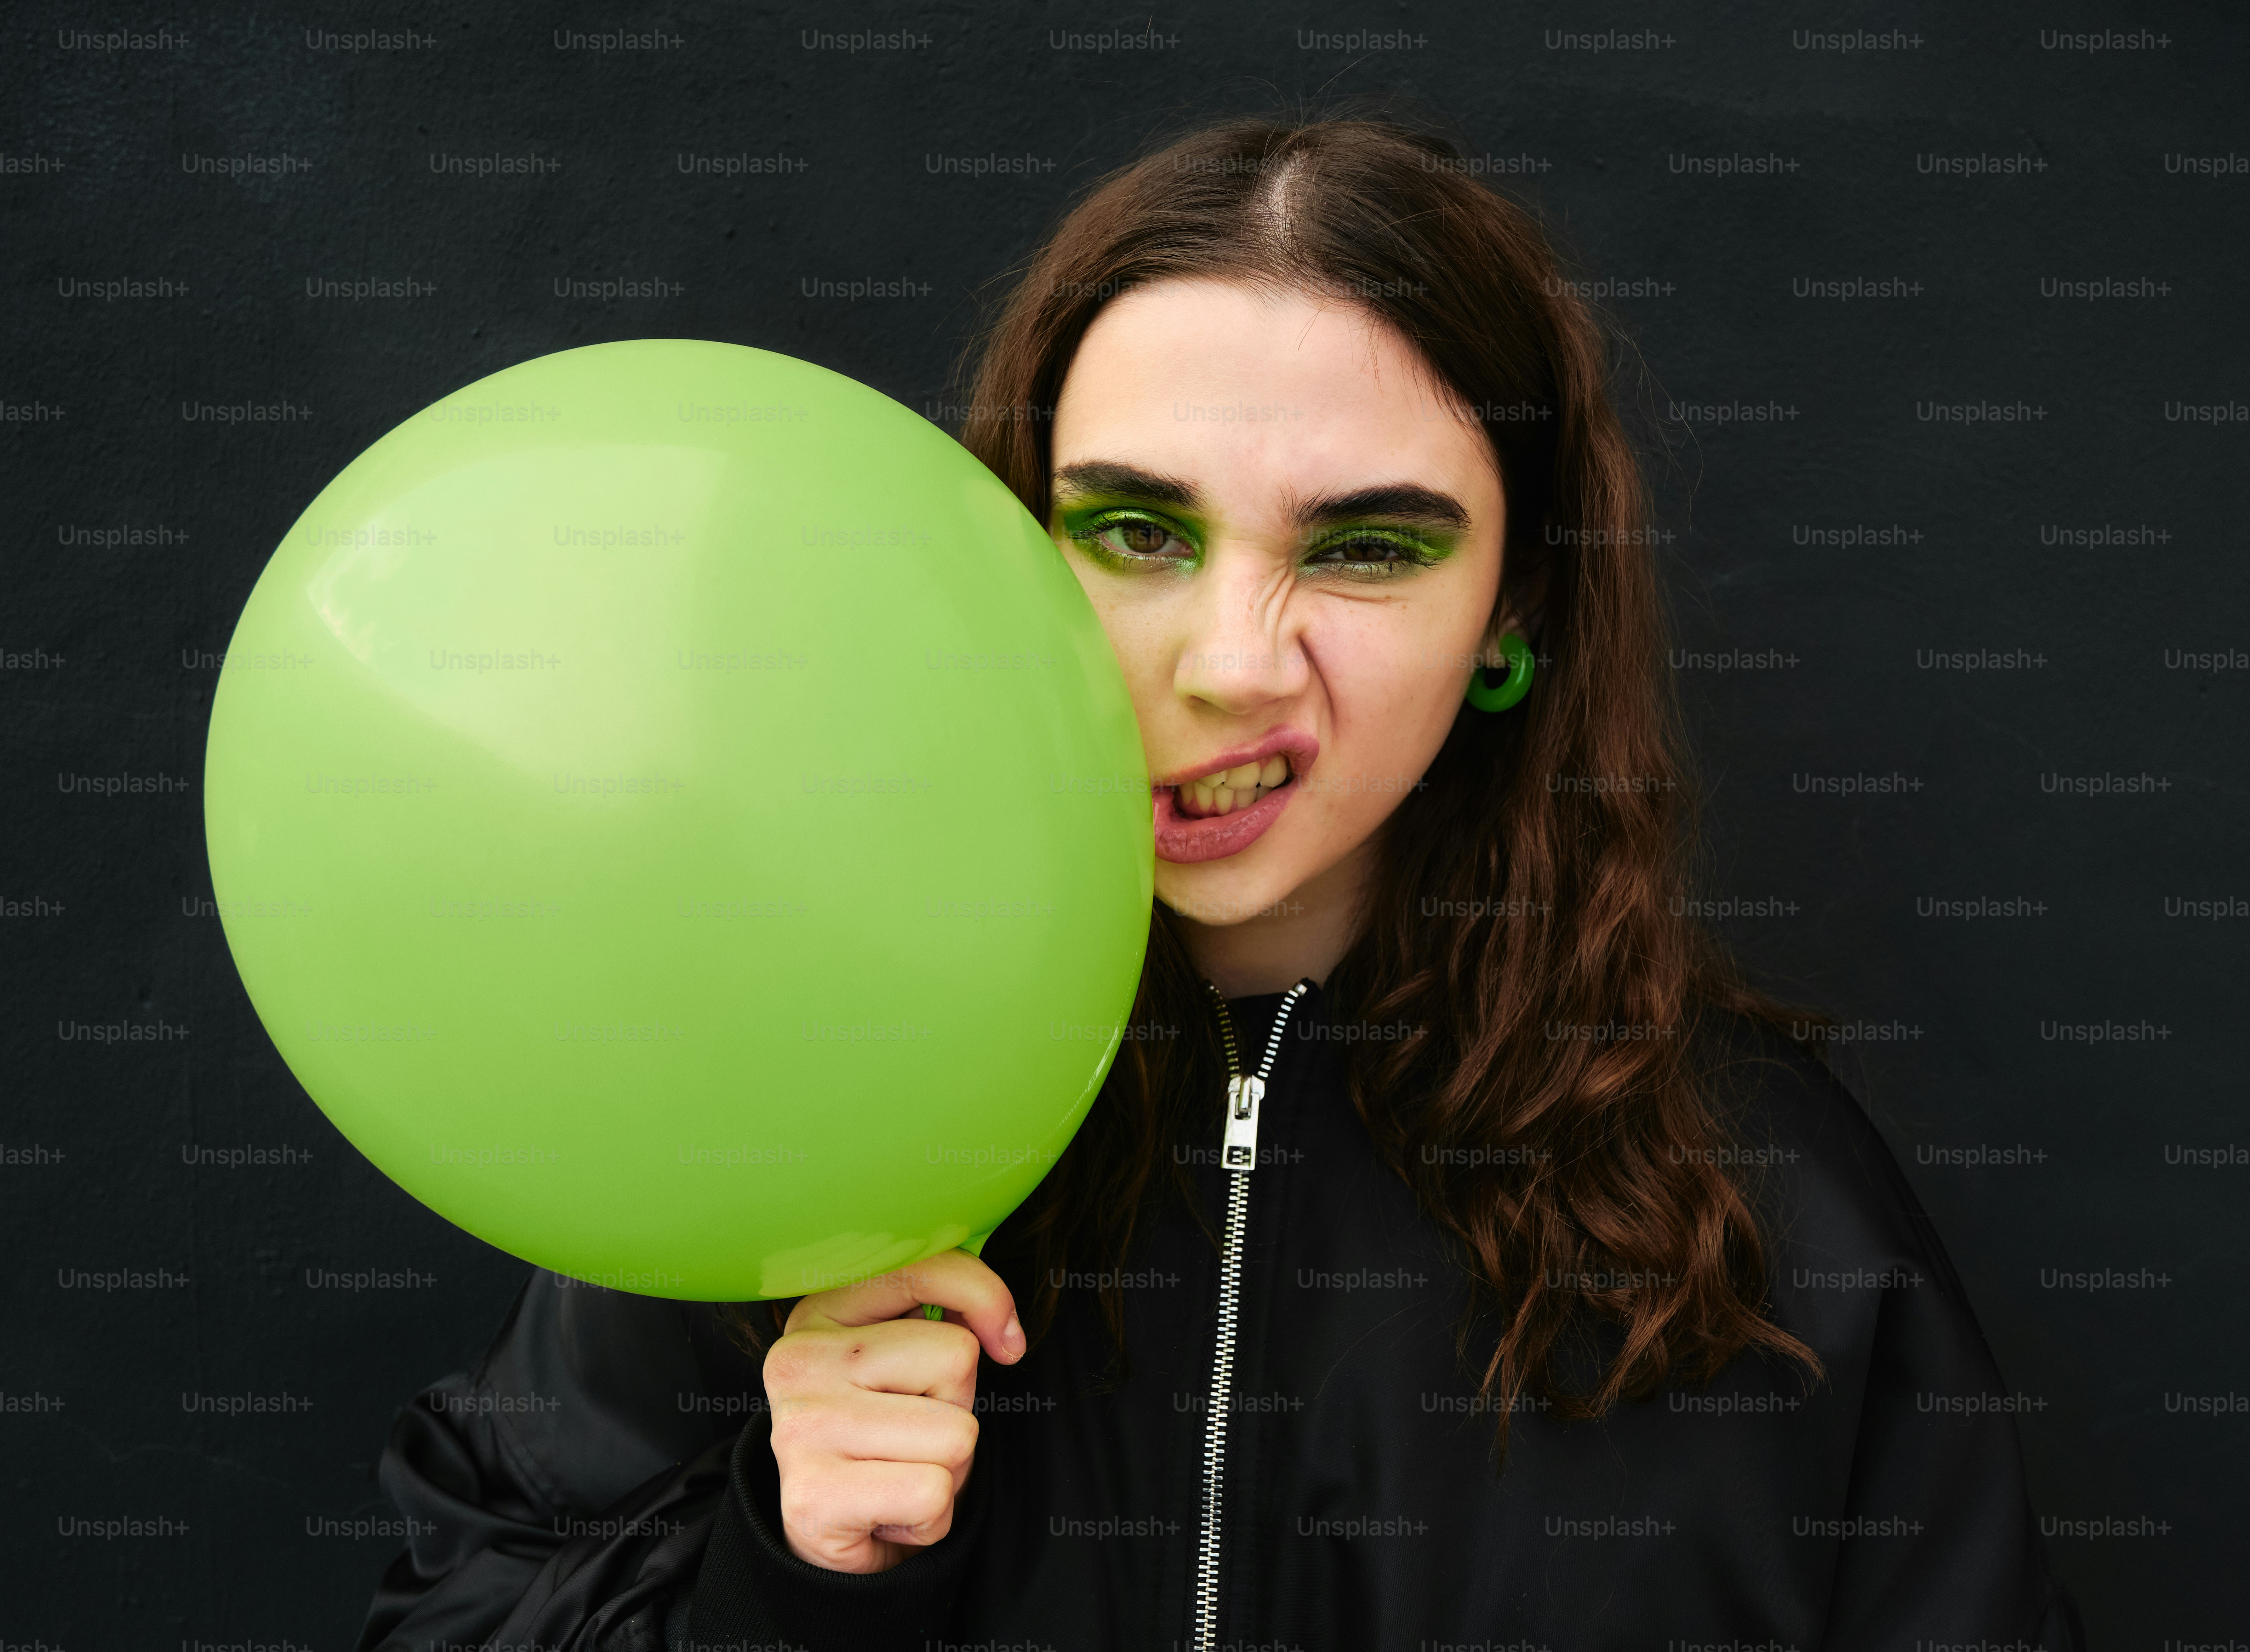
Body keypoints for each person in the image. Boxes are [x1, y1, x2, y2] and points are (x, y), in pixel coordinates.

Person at [358, 114, 2083, 1651]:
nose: (1229, 662)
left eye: (1365, 548)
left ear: (1515, 618)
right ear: (993, 550)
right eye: (1134, 532)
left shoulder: (1754, 1204)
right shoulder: (765, 1104)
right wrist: (794, 1575)